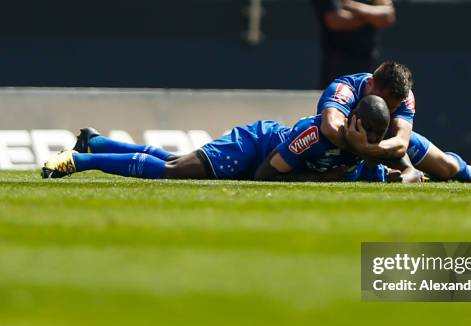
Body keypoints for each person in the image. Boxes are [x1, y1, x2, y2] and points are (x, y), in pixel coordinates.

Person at [41, 96, 396, 183]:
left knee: (173, 159)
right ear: (352, 121)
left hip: (260, 154)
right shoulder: (314, 135)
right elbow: (266, 175)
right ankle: (79, 161)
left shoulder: (371, 149)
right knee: (175, 170)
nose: (373, 141)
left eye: (379, 137)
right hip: (253, 146)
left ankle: (96, 143)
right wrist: (325, 179)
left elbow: (410, 167)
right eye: (368, 133)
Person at [317, 60, 471, 183]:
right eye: (384, 104)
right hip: (338, 148)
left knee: (446, 169)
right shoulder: (344, 88)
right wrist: (361, 146)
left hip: (380, 145)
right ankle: (417, 175)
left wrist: (368, 149)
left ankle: (470, 173)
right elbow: (331, 128)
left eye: (393, 108)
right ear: (369, 85)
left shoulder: (405, 97)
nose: (387, 112)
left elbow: (401, 143)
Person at [311, 0, 396, 89]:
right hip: (337, 61)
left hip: (368, 60)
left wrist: (355, 7)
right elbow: (336, 20)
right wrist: (372, 17)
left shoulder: (353, 6)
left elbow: (387, 16)